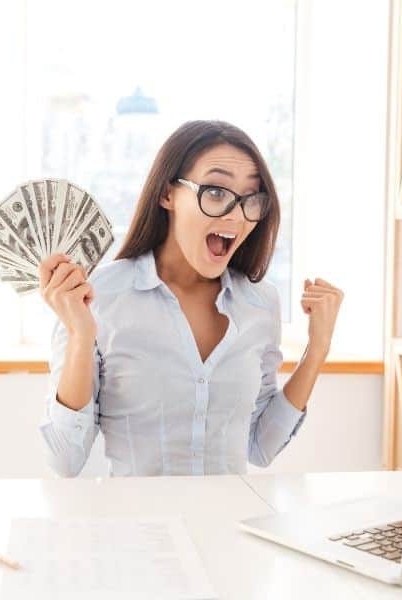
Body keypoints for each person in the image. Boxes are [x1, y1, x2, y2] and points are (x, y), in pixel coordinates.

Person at [37, 120, 343, 477]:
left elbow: (260, 446)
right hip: (135, 527)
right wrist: (80, 336)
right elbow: (64, 460)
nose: (236, 213)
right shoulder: (100, 298)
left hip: (230, 525)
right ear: (168, 194)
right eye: (216, 192)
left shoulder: (260, 304)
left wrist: (317, 348)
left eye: (251, 198)